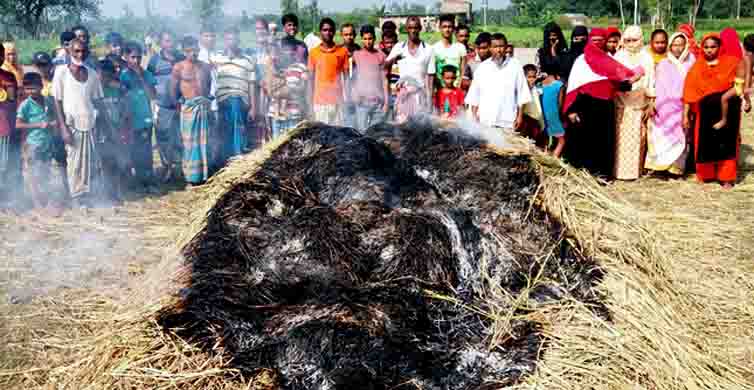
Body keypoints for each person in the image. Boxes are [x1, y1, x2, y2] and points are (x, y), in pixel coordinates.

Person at [563, 28, 637, 178]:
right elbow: (574, 87)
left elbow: (619, 83)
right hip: (586, 106)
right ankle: (584, 173)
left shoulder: (609, 60)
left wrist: (632, 79)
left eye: (601, 40)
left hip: (605, 106)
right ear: (589, 41)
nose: (597, 43)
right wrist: (571, 110)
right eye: (594, 40)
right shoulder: (581, 60)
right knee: (586, 140)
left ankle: (602, 174)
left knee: (604, 141)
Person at [51, 39, 108, 209]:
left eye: (83, 52)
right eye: (76, 51)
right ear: (69, 52)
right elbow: (57, 101)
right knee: (74, 162)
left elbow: (98, 101)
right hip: (71, 125)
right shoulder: (61, 72)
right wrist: (63, 127)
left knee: (90, 161)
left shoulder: (92, 74)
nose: (79, 55)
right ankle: (77, 197)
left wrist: (104, 126)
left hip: (89, 123)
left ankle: (88, 195)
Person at [682, 33, 742, 189]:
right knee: (704, 144)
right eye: (706, 47)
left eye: (713, 47)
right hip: (704, 112)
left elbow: (741, 83)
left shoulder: (732, 63)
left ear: (720, 47)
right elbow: (688, 92)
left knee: (727, 144)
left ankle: (726, 177)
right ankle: (706, 175)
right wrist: (685, 115)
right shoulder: (696, 67)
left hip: (728, 111)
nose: (709, 50)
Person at [645, 32, 695, 176]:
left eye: (681, 44)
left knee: (681, 137)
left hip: (683, 106)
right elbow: (656, 85)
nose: (678, 48)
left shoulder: (692, 62)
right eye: (674, 45)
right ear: (670, 46)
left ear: (686, 45)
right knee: (663, 137)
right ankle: (662, 167)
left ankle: (676, 169)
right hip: (663, 107)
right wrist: (652, 103)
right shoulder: (663, 63)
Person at [171, 36, 214, 187]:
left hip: (203, 108)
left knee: (204, 143)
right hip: (188, 109)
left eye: (195, 50)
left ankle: (204, 175)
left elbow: (207, 87)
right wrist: (180, 106)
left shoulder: (205, 67)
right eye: (189, 51)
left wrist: (205, 102)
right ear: (184, 51)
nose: (193, 54)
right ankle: (190, 178)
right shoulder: (179, 67)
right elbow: (174, 91)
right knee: (189, 144)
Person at [613, 25, 654, 180]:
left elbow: (651, 81)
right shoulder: (619, 57)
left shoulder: (646, 57)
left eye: (634, 40)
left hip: (639, 103)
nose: (631, 44)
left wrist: (651, 102)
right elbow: (615, 80)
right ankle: (619, 171)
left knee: (638, 138)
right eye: (628, 40)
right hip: (621, 103)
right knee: (621, 139)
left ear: (641, 39)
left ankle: (635, 171)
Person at [16, 73, 61, 215]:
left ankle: (46, 201)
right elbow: (18, 124)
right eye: (27, 89)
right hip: (33, 144)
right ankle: (36, 204)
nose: (30, 91)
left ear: (41, 87)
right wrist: (38, 125)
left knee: (45, 173)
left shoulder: (48, 101)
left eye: (33, 88)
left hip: (47, 143)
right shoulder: (25, 105)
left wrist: (54, 124)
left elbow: (56, 118)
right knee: (33, 175)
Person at [465, 33, 531, 130]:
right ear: (490, 48)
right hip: (486, 119)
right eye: (495, 47)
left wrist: (519, 116)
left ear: (506, 47)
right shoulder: (483, 67)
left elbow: (522, 93)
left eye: (501, 46)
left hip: (507, 120)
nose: (499, 50)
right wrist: (474, 116)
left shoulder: (515, 65)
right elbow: (474, 95)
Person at [32, 52, 70, 203]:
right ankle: (45, 195)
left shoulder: (58, 81)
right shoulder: (32, 84)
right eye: (39, 65)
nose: (43, 68)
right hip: (42, 132)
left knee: (62, 163)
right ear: (35, 66)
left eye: (45, 64)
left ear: (50, 64)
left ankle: (68, 192)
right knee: (43, 164)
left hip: (57, 129)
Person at [214, 25, 257, 160]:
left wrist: (253, 108)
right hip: (221, 101)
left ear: (238, 40)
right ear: (224, 41)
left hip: (239, 100)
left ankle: (237, 156)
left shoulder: (248, 60)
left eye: (234, 39)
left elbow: (252, 84)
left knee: (238, 127)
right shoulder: (216, 58)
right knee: (224, 131)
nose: (231, 42)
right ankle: (226, 159)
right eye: (228, 39)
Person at [147, 30, 184, 182]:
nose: (170, 44)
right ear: (161, 43)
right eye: (166, 41)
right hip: (163, 106)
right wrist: (154, 100)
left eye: (172, 41)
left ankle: (180, 169)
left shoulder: (181, 59)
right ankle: (167, 167)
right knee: (163, 138)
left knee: (180, 138)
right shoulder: (154, 61)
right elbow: (149, 81)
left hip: (181, 106)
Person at [120, 41, 157, 192]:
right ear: (126, 57)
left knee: (146, 152)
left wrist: (142, 78)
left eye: (139, 57)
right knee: (133, 152)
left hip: (145, 119)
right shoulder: (123, 76)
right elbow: (122, 98)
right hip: (130, 120)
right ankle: (136, 182)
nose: (136, 61)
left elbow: (153, 95)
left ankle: (148, 182)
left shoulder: (147, 74)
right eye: (133, 57)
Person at [266, 14, 309, 138]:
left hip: (296, 99)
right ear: (284, 27)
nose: (292, 27)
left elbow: (305, 72)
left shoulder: (302, 46)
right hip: (279, 98)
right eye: (289, 25)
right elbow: (271, 66)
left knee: (294, 138)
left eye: (295, 25)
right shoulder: (277, 44)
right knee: (277, 141)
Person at [385, 16, 435, 121]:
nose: (413, 31)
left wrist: (429, 101)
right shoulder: (399, 47)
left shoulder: (429, 49)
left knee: (418, 128)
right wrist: (394, 59)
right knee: (402, 127)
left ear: (420, 28)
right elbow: (384, 67)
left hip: (420, 96)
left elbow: (430, 77)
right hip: (404, 95)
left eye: (416, 28)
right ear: (406, 29)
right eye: (410, 28)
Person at [98, 59, 129, 202]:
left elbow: (125, 111)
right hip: (101, 133)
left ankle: (119, 191)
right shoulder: (94, 91)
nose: (103, 78)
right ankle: (106, 193)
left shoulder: (119, 90)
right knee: (105, 162)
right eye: (101, 74)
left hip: (117, 130)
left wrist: (124, 128)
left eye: (107, 75)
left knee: (119, 162)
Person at [308, 18, 349, 124]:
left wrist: (348, 100)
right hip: (320, 104)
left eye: (330, 30)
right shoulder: (314, 52)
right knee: (322, 137)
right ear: (320, 32)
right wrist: (310, 104)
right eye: (325, 30)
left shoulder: (342, 51)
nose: (328, 33)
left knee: (338, 136)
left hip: (338, 103)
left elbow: (347, 78)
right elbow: (310, 80)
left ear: (334, 32)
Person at [712, 28, 752, 130]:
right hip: (738, 88)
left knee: (724, 99)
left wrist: (747, 98)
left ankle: (724, 120)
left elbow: (746, 77)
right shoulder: (741, 55)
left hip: (736, 86)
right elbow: (748, 77)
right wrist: (747, 99)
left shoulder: (723, 56)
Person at [351, 25, 388, 130]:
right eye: (365, 39)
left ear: (375, 38)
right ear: (362, 39)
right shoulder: (356, 55)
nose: (368, 41)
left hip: (377, 103)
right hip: (362, 102)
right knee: (362, 133)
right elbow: (352, 77)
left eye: (370, 38)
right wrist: (354, 94)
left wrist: (386, 102)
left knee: (376, 133)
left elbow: (384, 79)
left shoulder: (381, 56)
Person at [0, 43, 18, 208]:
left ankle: (4, 198)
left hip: (3, 127)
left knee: (3, 165)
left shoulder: (9, 77)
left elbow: (12, 100)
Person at [250, 18, 272, 145]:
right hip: (257, 90)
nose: (260, 31)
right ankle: (260, 146)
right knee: (258, 118)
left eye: (262, 28)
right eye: (257, 29)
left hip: (270, 89)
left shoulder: (272, 47)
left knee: (269, 116)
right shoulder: (252, 50)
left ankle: (270, 143)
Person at [539, 61, 567, 158]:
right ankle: (554, 160)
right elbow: (560, 103)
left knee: (546, 137)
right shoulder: (559, 85)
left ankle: (544, 155)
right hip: (554, 113)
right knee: (561, 140)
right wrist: (562, 116)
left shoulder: (541, 84)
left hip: (543, 114)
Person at [432, 14, 466, 89]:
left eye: (449, 27)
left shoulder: (461, 48)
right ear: (440, 28)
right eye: (444, 27)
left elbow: (463, 71)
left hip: (456, 90)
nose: (447, 29)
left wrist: (458, 88)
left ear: (453, 28)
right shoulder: (434, 48)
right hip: (440, 90)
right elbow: (433, 72)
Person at [340, 23, 361, 127]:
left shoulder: (360, 51)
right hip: (342, 95)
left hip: (357, 95)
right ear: (342, 35)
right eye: (346, 34)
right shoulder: (337, 52)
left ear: (355, 35)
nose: (349, 37)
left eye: (351, 34)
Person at [520, 63, 545, 146]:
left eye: (534, 77)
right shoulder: (522, 91)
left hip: (535, 123)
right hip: (525, 123)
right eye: (529, 77)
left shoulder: (536, 90)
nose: (532, 80)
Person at [381, 30, 400, 121]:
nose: (389, 45)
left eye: (392, 42)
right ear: (383, 43)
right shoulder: (381, 58)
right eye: (387, 43)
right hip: (385, 98)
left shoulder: (402, 59)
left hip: (400, 97)